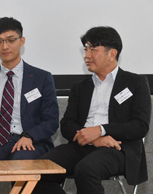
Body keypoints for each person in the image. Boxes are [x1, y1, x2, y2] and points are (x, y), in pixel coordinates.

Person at [32, 26, 151, 194]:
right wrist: (92, 138)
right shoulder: (80, 87)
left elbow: (140, 126)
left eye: (93, 50)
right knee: (36, 171)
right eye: (86, 49)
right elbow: (67, 125)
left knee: (86, 170)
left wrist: (101, 130)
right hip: (82, 146)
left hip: (118, 148)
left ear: (112, 54)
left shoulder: (135, 83)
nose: (86, 56)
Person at [0, 17, 59, 193]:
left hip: (26, 140)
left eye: (10, 40)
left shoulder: (42, 78)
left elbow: (51, 120)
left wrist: (30, 136)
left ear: (22, 41)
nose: (5, 47)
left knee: (22, 167)